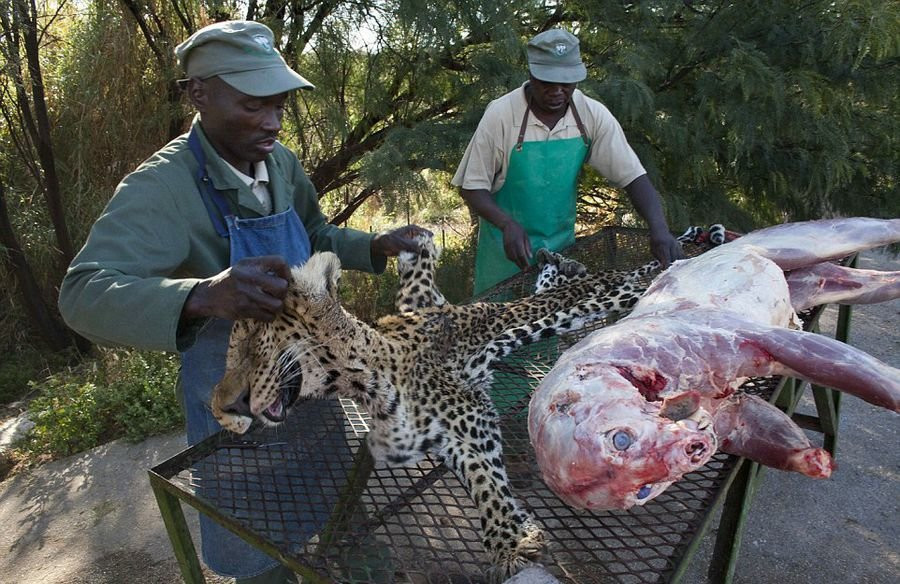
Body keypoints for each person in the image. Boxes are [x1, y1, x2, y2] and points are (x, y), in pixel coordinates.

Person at [58, 20, 422, 584]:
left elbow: (316, 237)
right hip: (240, 409)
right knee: (260, 544)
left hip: (314, 385)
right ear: (199, 93)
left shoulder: (279, 163)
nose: (272, 123)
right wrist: (203, 295)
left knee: (342, 515)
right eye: (254, 106)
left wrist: (373, 246)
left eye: (278, 105)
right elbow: (83, 294)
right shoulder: (163, 188)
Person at [453, 29, 685, 295]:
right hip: (505, 252)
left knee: (549, 326)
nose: (557, 91)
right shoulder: (501, 115)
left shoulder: (591, 114)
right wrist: (507, 224)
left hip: (559, 250)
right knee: (500, 329)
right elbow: (471, 186)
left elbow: (633, 176)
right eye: (547, 82)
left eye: (567, 83)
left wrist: (659, 228)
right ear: (531, 74)